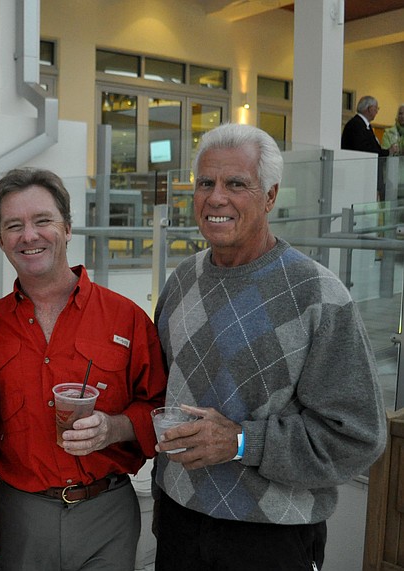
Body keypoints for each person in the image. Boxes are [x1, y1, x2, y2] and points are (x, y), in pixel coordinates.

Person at [153, 123, 387, 570]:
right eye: (206, 183)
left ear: (270, 196)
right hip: (179, 522)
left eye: (236, 184)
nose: (216, 198)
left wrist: (243, 441)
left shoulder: (318, 294)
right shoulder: (182, 281)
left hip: (271, 536)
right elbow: (157, 393)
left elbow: (357, 436)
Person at [0, 168, 167, 571]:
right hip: (18, 516)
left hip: (107, 515)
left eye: (42, 220)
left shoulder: (125, 318)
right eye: (14, 226)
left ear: (67, 228)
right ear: (0, 240)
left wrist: (113, 428)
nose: (29, 235)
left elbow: (160, 407)